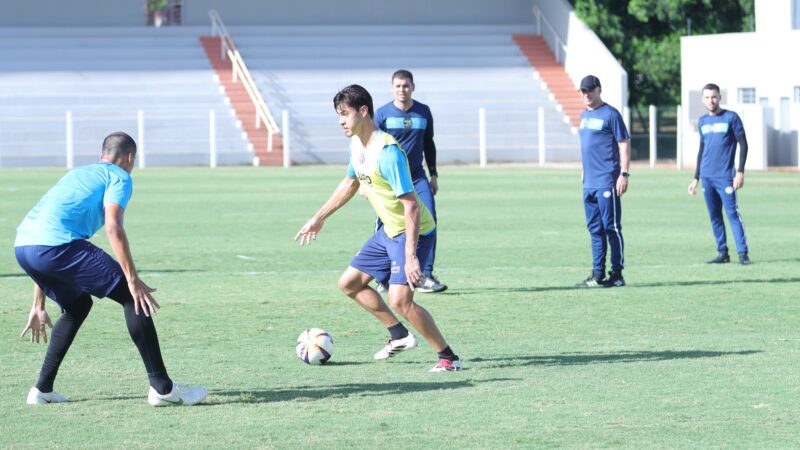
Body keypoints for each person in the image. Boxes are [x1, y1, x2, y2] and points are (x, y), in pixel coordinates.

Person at [15, 132, 207, 406]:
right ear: (129, 158)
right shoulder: (119, 176)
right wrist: (132, 279)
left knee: (78, 305)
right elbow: (113, 226)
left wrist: (38, 303)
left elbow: (45, 234)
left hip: (24, 247)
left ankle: (42, 390)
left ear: (101, 154)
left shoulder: (77, 174)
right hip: (55, 247)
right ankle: (162, 389)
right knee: (132, 297)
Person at [295, 85, 463, 372]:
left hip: (414, 232)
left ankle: (449, 358)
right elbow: (349, 183)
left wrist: (411, 256)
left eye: (345, 114)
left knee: (400, 300)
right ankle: (399, 335)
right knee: (349, 283)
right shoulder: (357, 145)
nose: (341, 121)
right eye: (338, 115)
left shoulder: (388, 152)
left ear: (363, 112)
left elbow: (411, 206)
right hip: (388, 231)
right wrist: (319, 217)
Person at [373, 69, 447, 294]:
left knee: (429, 222)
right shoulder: (382, 114)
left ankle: (425, 275)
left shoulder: (423, 112)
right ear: (392, 88)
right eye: (397, 86)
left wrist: (433, 174)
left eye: (406, 86)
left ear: (413, 87)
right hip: (391, 181)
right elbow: (374, 147)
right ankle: (383, 277)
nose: (402, 90)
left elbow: (429, 144)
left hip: (417, 177)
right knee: (387, 224)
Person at [575, 75, 631, 288]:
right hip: (589, 182)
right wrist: (583, 169)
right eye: (583, 91)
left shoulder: (611, 114)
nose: (586, 94)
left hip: (607, 180)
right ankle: (598, 274)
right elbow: (587, 146)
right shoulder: (583, 115)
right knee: (594, 229)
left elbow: (623, 144)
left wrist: (623, 174)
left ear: (599, 90)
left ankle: (616, 274)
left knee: (612, 228)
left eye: (590, 90)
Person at [688, 83, 750, 265]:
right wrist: (696, 178)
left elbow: (744, 145)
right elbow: (702, 150)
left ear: (719, 97)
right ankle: (722, 252)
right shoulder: (702, 121)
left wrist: (740, 172)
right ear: (702, 99)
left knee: (732, 213)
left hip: (725, 177)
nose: (710, 100)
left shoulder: (731, 118)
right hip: (707, 177)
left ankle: (743, 253)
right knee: (714, 215)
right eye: (707, 97)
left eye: (713, 97)